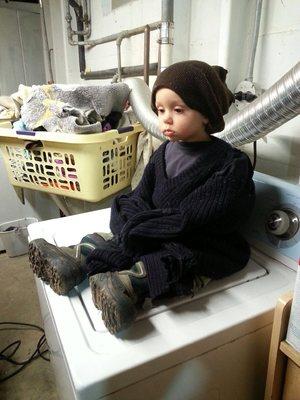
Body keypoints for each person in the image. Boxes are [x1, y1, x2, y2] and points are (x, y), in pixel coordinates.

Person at [28, 60, 255, 335]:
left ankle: (128, 285)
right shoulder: (163, 154)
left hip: (200, 239)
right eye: (160, 110)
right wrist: (131, 223)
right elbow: (140, 196)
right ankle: (78, 259)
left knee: (176, 260)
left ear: (206, 114)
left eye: (178, 110)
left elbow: (197, 217)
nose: (165, 119)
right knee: (123, 232)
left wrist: (145, 230)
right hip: (158, 229)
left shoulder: (230, 164)